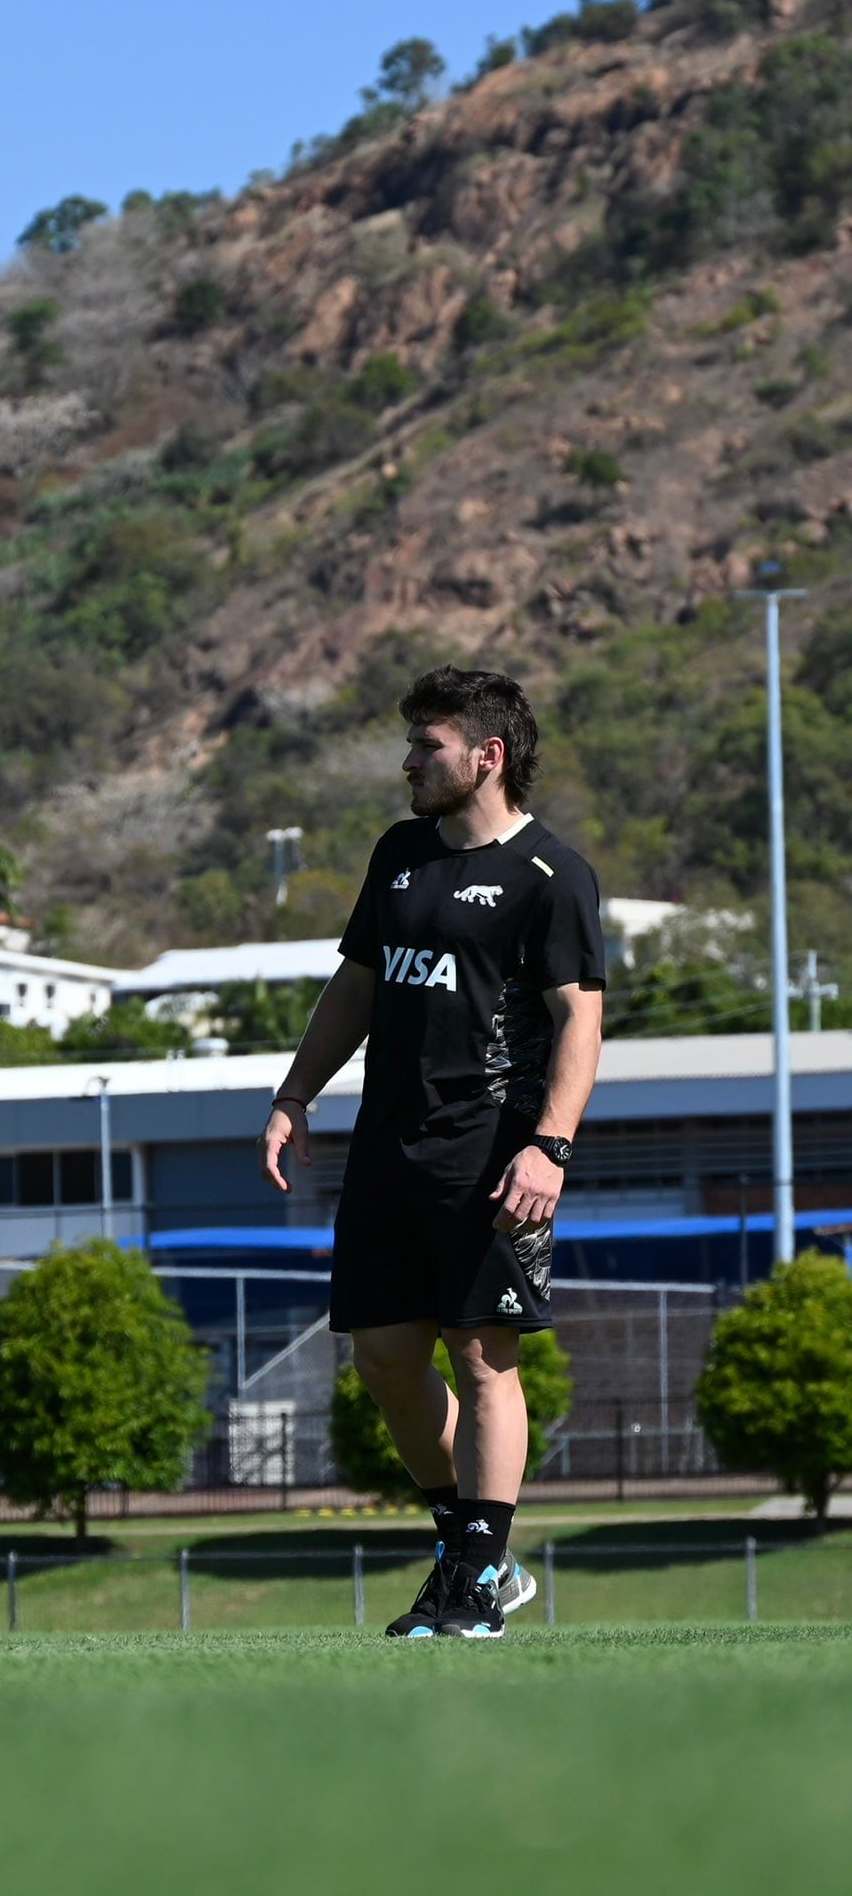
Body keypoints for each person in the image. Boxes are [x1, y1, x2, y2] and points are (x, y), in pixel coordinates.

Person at [257, 667, 604, 1638]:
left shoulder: (552, 875)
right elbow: (356, 987)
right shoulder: (399, 853)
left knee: (483, 1356)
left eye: (428, 744)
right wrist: (294, 1094)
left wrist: (550, 1147)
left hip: (491, 1154)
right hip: (386, 1151)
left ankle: (476, 1576)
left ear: (487, 755)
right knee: (383, 1358)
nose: (409, 760)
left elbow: (580, 1020)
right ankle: (472, 1553)